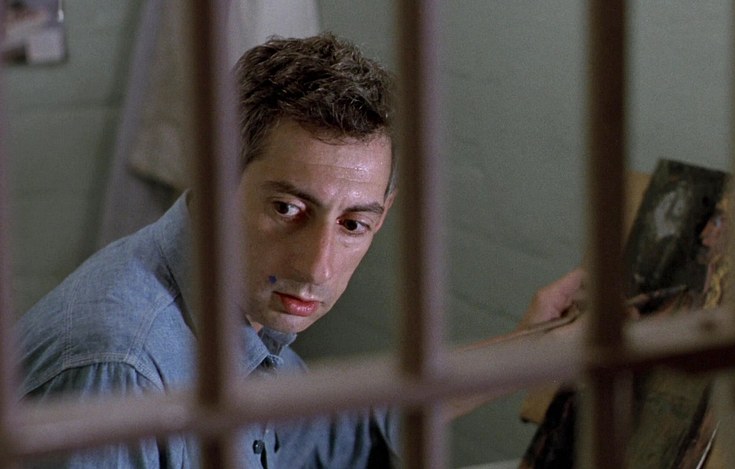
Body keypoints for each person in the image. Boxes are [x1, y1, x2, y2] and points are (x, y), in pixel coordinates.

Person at [16, 33, 583, 468]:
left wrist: (536, 348)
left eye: (354, 224)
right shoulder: (120, 368)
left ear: (383, 215)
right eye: (287, 209)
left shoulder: (241, 312)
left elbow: (333, 430)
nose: (316, 267)